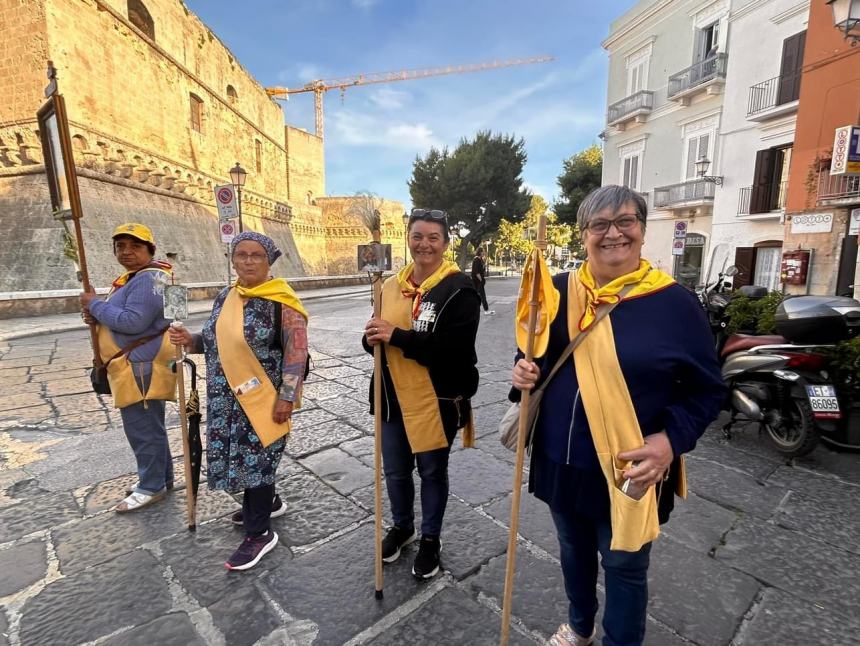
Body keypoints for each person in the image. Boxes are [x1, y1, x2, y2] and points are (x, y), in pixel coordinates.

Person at [510, 186, 725, 646]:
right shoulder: (558, 290)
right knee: (573, 550)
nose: (613, 234)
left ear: (642, 231)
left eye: (625, 221)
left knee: (625, 564)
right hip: (561, 455)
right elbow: (538, 355)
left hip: (630, 463)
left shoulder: (676, 304)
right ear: (585, 234)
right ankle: (581, 625)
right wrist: (524, 370)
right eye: (599, 225)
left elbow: (708, 391)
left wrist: (669, 443)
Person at [169, 231, 308, 571]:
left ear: (269, 261)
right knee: (241, 456)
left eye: (256, 255)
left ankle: (260, 533)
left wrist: (286, 399)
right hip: (225, 398)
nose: (247, 261)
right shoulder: (226, 296)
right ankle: (267, 502)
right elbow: (217, 340)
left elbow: (297, 355)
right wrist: (192, 339)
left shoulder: (283, 302)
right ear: (232, 259)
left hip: (263, 398)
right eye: (241, 254)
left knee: (259, 459)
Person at [363, 208, 480, 579]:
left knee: (431, 471)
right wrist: (373, 338)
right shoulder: (389, 286)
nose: (424, 244)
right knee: (395, 471)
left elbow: (453, 352)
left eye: (433, 237)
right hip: (391, 396)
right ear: (408, 239)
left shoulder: (460, 289)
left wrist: (395, 337)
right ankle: (402, 527)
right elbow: (374, 343)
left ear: (445, 243)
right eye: (418, 236)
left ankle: (431, 538)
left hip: (436, 399)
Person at [80, 223, 176, 513]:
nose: (126, 252)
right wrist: (97, 316)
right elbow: (174, 316)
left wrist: (95, 305)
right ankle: (162, 477)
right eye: (120, 246)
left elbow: (133, 322)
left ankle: (151, 486)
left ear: (150, 250)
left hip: (139, 366)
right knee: (152, 426)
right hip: (146, 362)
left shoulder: (148, 279)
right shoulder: (157, 276)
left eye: (135, 246)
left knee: (142, 429)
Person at [471, 247, 494, 315]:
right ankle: (486, 310)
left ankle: (472, 310)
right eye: (483, 251)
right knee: (482, 296)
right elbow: (476, 272)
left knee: (476, 296)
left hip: (478, 281)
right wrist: (481, 280)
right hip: (477, 281)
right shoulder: (476, 260)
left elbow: (482, 269)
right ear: (480, 252)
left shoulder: (480, 260)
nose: (484, 253)